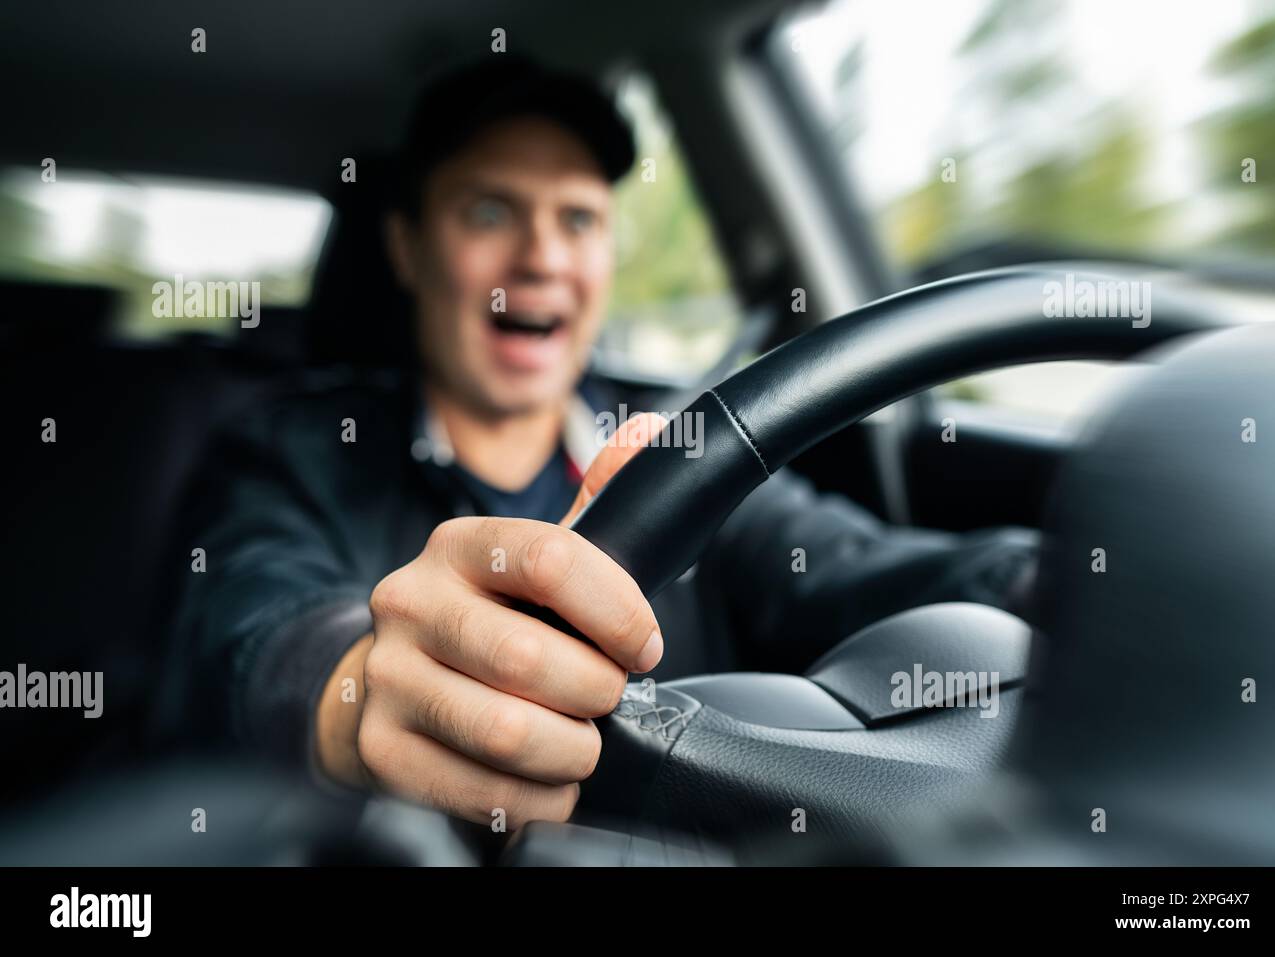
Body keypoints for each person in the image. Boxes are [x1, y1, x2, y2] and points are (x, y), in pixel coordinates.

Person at [169, 56, 1037, 828]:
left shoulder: (678, 446)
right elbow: (254, 629)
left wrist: (1089, 574)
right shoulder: (294, 446)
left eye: (578, 219)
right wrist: (361, 688)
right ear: (408, 247)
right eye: (488, 210)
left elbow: (860, 565)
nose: (542, 255)